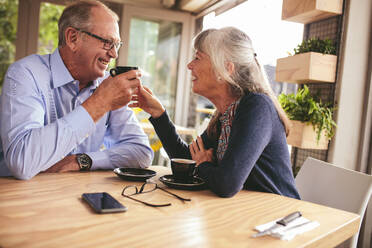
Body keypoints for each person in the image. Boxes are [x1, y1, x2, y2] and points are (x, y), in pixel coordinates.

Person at [131, 27, 300, 199]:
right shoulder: (226, 116)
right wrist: (158, 114)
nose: (189, 65)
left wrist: (203, 165)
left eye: (197, 58)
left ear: (225, 69)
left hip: (281, 218)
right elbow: (188, 160)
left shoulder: (257, 107)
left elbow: (227, 184)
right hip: (249, 213)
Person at [0, 0, 153, 180]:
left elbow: (141, 152)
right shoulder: (26, 74)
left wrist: (82, 160)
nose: (114, 54)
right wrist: (100, 103)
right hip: (21, 200)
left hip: (78, 197)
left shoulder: (107, 85)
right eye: (107, 42)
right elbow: (22, 161)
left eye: (117, 45)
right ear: (73, 38)